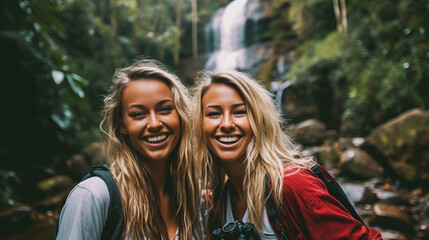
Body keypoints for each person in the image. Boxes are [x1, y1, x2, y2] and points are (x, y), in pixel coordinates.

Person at [192, 71, 382, 239]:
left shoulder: (292, 185)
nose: (226, 124)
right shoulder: (219, 200)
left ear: (260, 120)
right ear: (200, 125)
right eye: (214, 114)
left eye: (239, 112)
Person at [55, 59, 202, 239]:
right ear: (122, 125)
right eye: (138, 114)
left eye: (164, 109)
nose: (154, 123)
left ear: (180, 116)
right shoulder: (92, 196)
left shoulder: (192, 198)